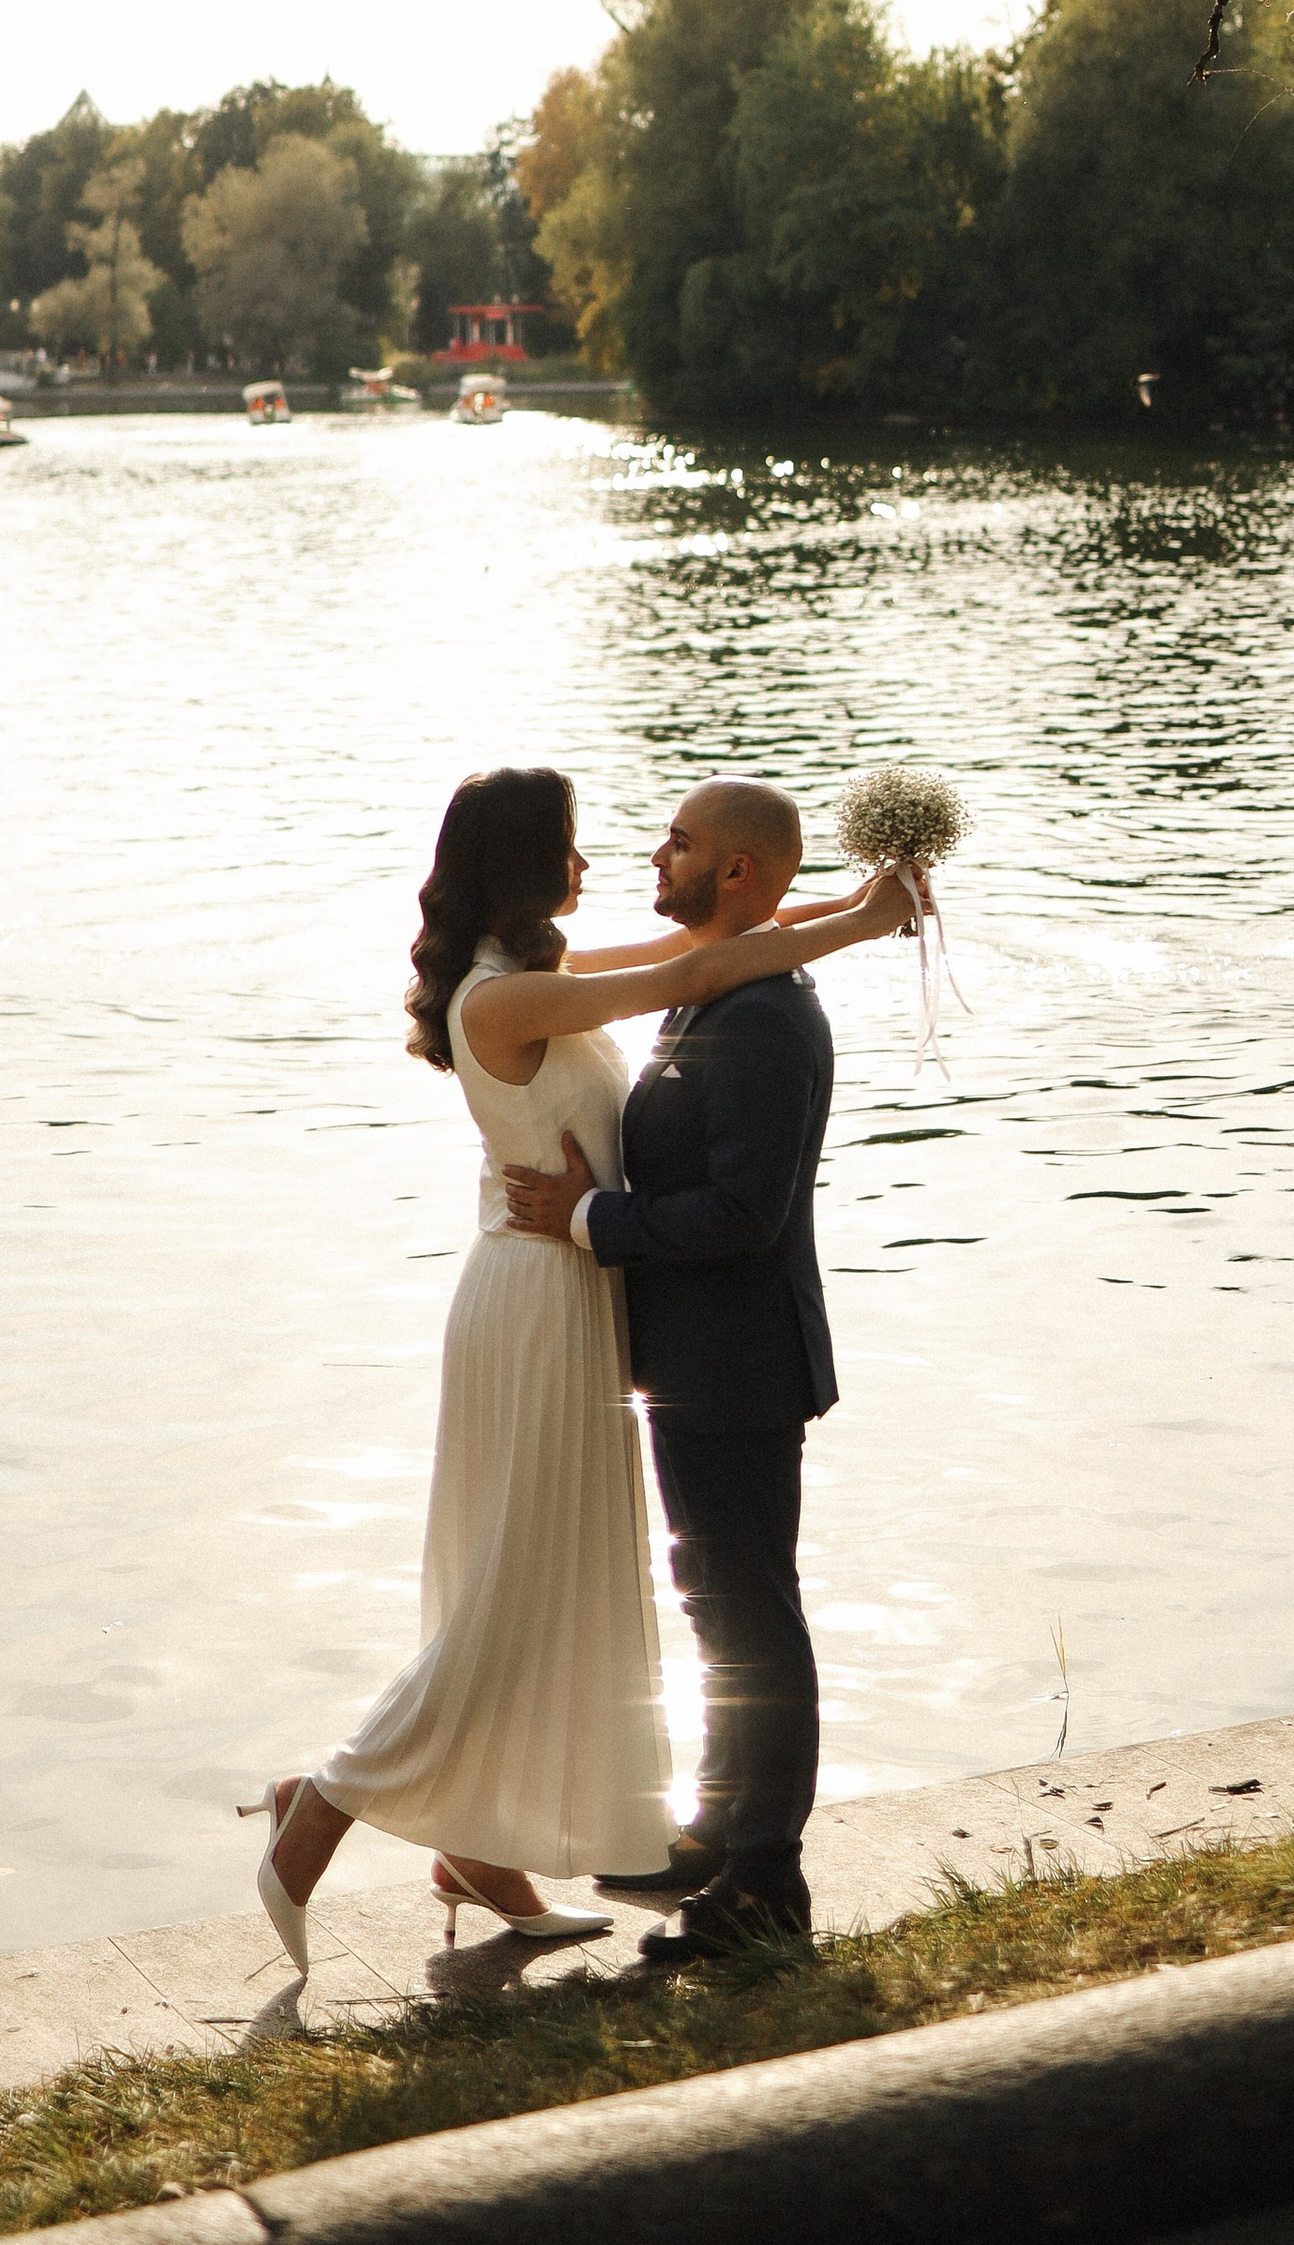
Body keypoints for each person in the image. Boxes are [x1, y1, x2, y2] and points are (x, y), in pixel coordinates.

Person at [245, 768, 905, 1977]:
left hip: (576, 1296)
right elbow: (702, 966)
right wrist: (865, 921)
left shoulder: (535, 974)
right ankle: (325, 1798)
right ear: (521, 863)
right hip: (540, 1301)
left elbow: (710, 948)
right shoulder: (512, 999)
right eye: (572, 845)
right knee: (514, 1589)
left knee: (537, 1585)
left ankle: (480, 1848)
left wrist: (850, 904)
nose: (599, 863)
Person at [503, 778, 854, 1964]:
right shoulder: (719, 987)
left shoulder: (761, 1018)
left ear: (737, 871)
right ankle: (717, 1829)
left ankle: (767, 1884)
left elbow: (744, 1213)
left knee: (753, 1615)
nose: (658, 856)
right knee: (716, 1600)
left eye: (680, 843)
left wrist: (586, 1218)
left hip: (740, 1360)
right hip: (698, 1359)